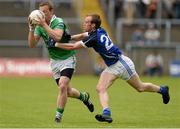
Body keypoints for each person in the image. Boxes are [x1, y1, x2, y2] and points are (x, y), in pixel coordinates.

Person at [51, 14, 170, 123]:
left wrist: (56, 44)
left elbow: (73, 47)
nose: (84, 23)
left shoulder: (94, 38)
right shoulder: (99, 30)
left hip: (122, 64)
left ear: (92, 25)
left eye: (87, 22)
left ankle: (162, 90)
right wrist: (70, 36)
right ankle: (106, 113)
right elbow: (83, 35)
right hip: (113, 66)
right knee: (100, 88)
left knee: (140, 87)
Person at [27, 1, 94, 123]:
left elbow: (57, 37)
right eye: (40, 12)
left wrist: (43, 25)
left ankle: (58, 116)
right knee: (67, 91)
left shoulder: (58, 22)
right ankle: (84, 96)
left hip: (67, 58)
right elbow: (32, 45)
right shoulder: (39, 27)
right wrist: (31, 28)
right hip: (55, 61)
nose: (42, 14)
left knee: (62, 86)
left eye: (45, 12)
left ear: (51, 11)